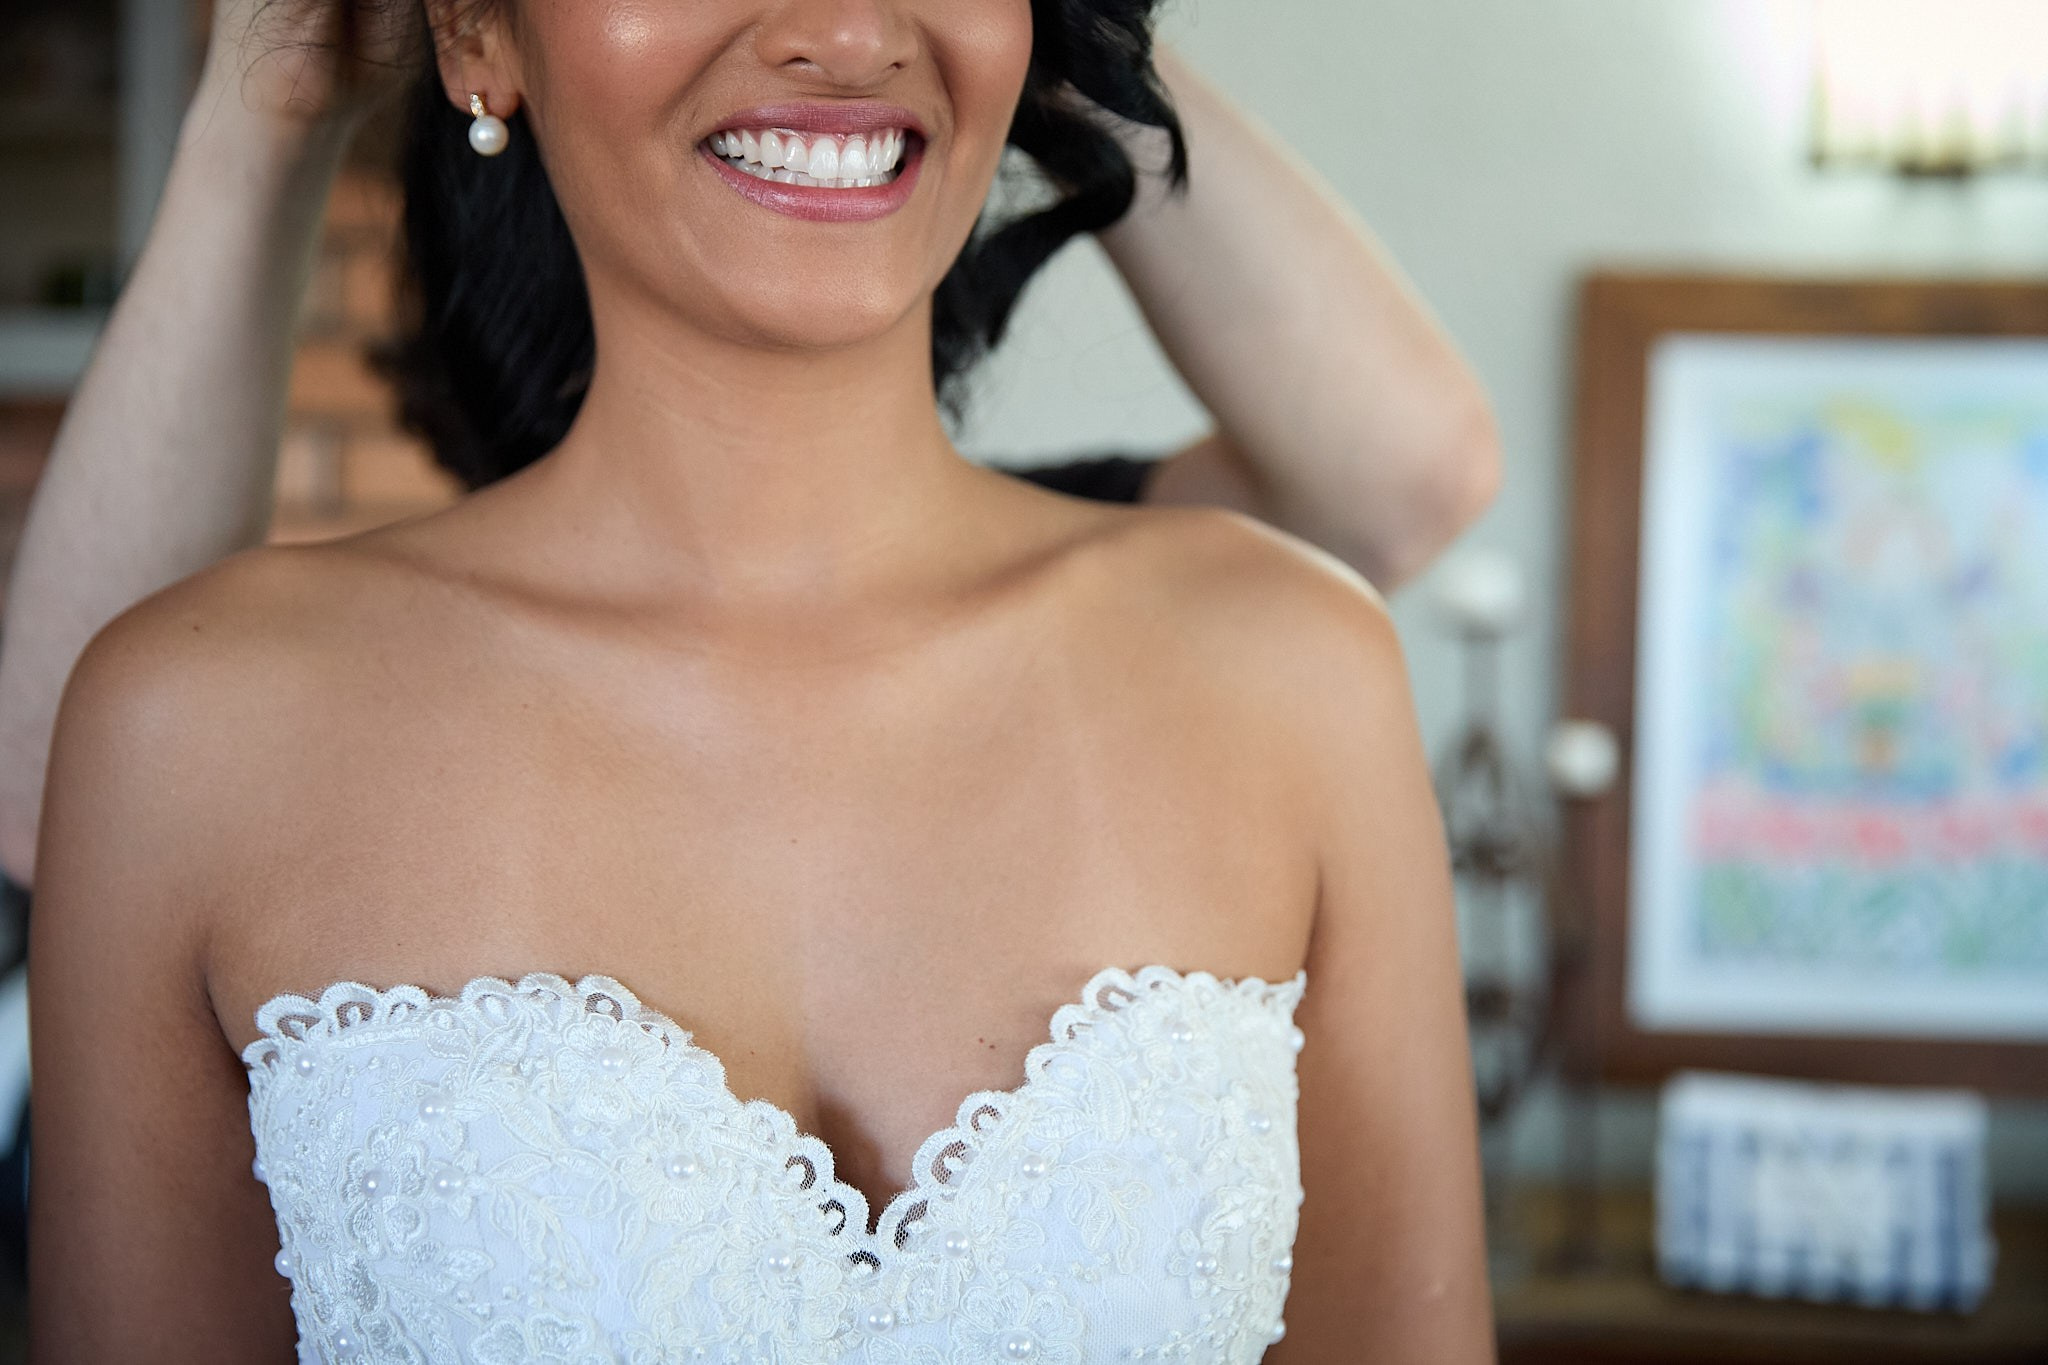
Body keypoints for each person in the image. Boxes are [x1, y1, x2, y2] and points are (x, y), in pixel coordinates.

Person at [24, 0, 1496, 1359]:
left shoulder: (1293, 671)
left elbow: (1417, 468)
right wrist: (262, 97)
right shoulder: (198, 727)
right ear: (479, 32)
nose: (849, 29)